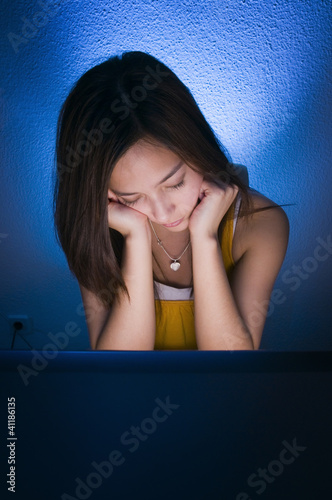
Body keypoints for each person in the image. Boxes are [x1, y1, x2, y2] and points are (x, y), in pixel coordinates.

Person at [54, 50, 289, 351]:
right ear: (107, 194)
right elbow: (118, 368)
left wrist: (204, 238)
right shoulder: (97, 228)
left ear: (198, 148)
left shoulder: (261, 224)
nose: (163, 212)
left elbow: (230, 365)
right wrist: (135, 237)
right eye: (132, 197)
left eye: (176, 183)